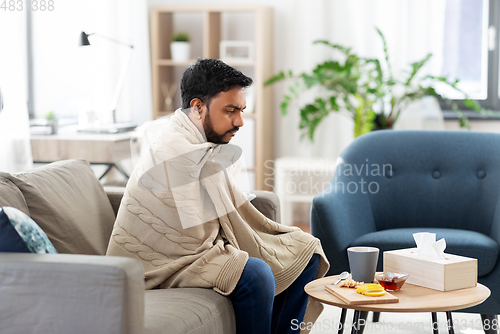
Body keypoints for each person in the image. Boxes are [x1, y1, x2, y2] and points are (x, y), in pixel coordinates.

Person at [106, 58, 329, 334]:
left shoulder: (200, 142)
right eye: (230, 111)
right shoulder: (178, 149)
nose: (240, 122)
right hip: (163, 265)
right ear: (198, 108)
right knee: (256, 274)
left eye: (242, 111)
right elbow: (195, 238)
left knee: (305, 250)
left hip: (193, 252)